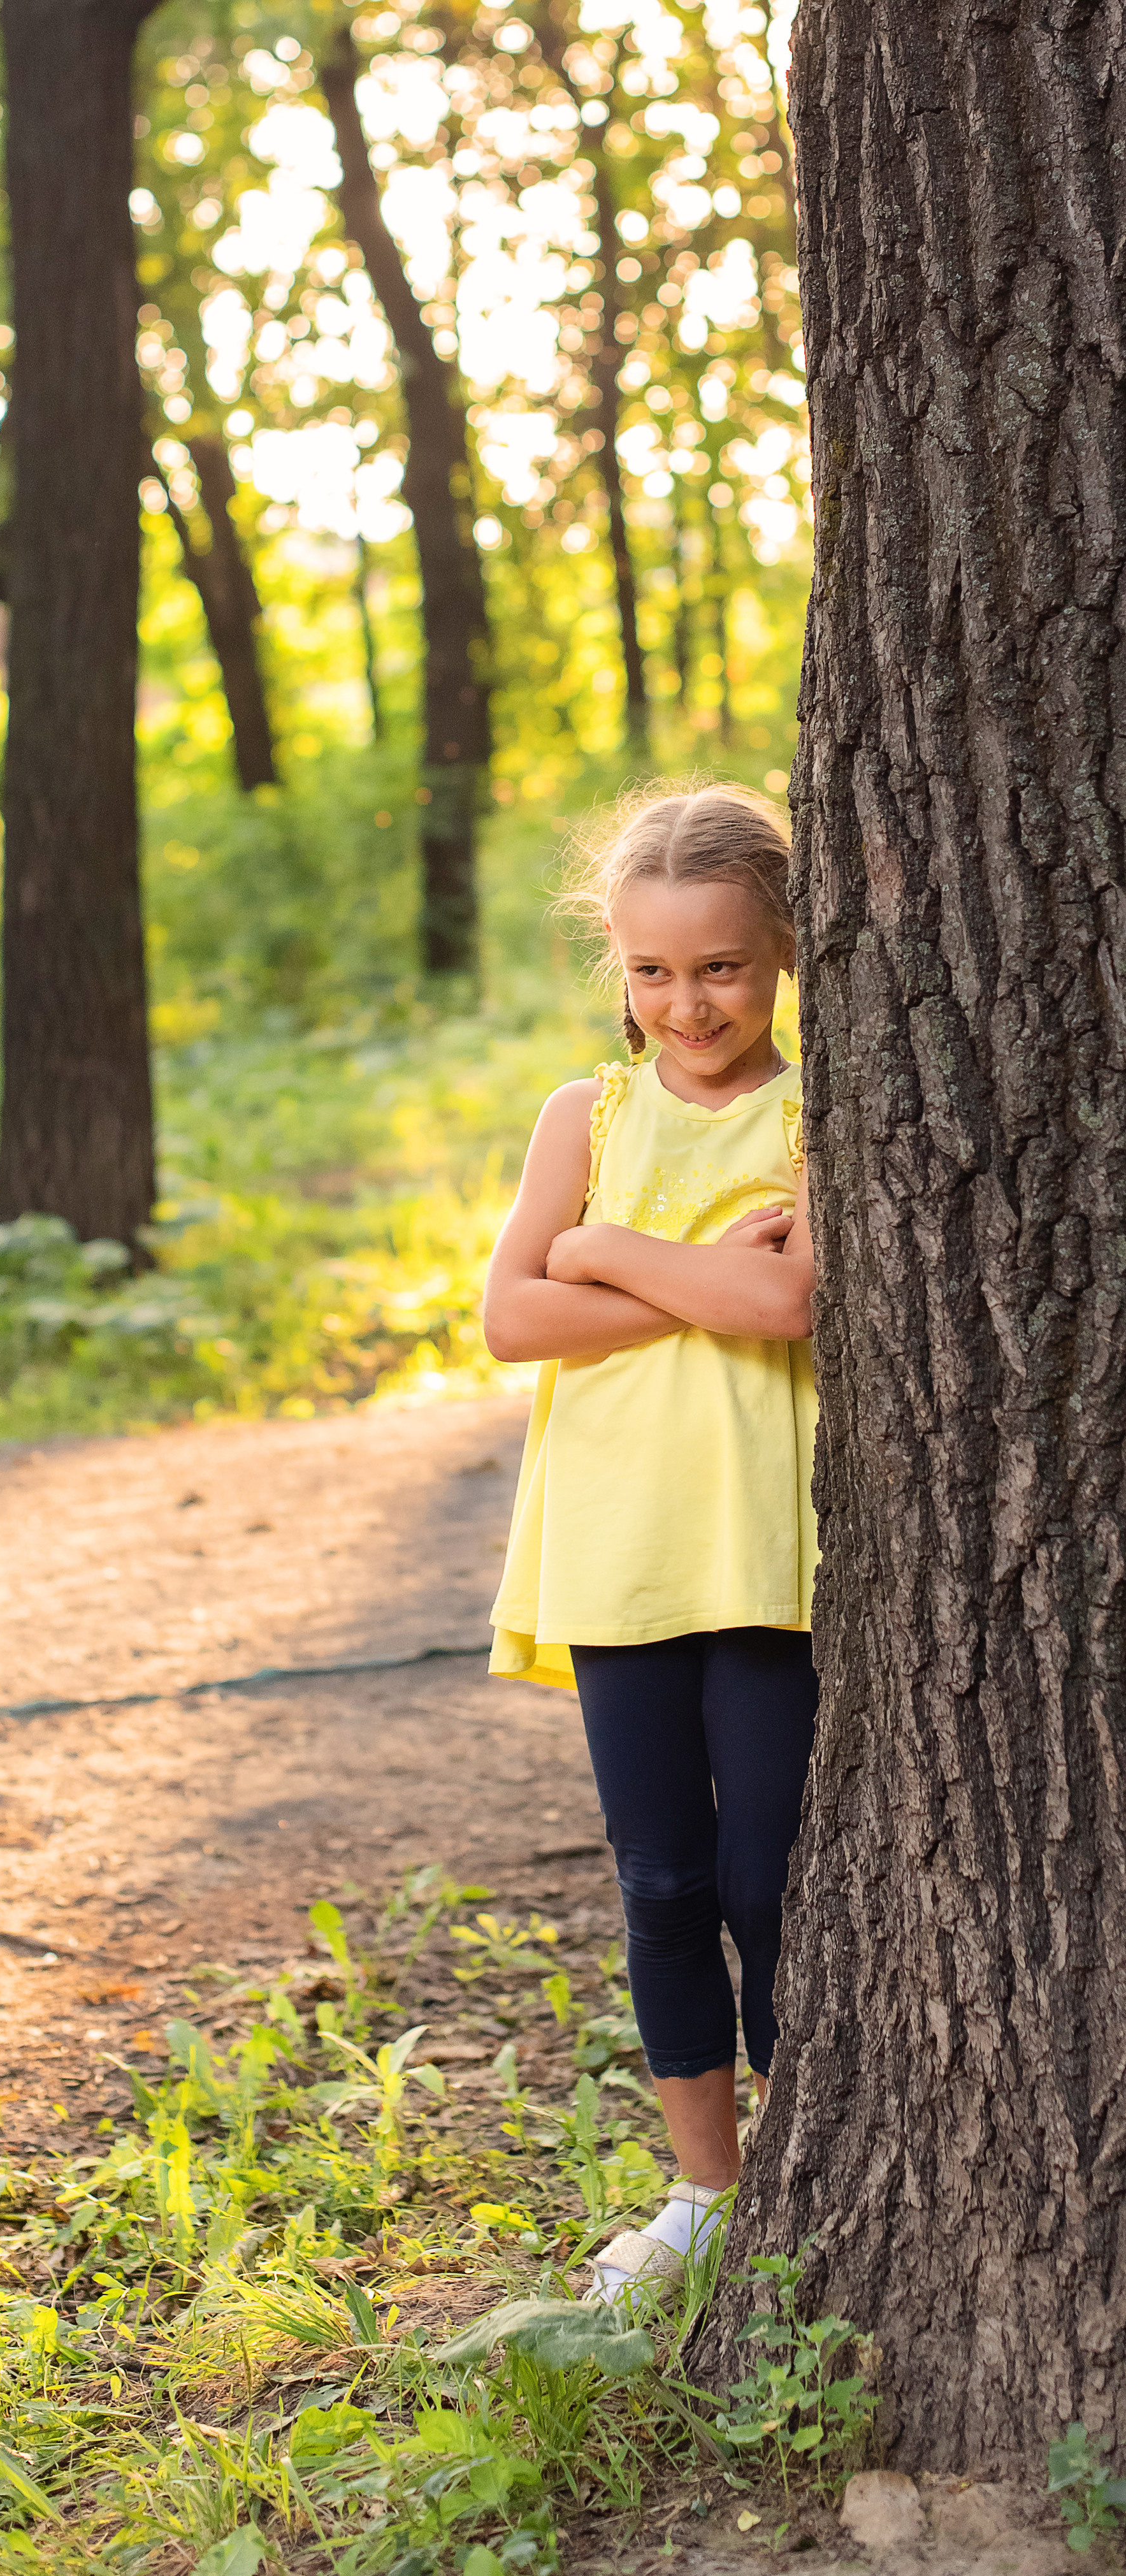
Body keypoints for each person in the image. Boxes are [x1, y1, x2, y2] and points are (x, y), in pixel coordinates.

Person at [482, 782, 817, 2303]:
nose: (688, 1003)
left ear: (788, 952)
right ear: (615, 966)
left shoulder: (819, 1111)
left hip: (758, 1550)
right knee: (664, 1881)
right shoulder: (585, 1116)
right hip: (616, 1548)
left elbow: (783, 1305)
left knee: (771, 1879)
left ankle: (816, 2154)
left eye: (723, 967)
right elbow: (507, 1313)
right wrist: (685, 1266)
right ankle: (703, 2189)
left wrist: (607, 1249)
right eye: (653, 970)